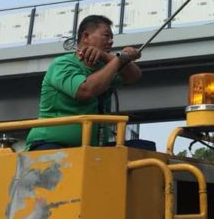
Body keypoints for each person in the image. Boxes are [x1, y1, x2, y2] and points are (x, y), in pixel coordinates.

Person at [25, 14, 142, 150]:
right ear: (85, 36)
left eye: (112, 38)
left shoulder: (106, 69)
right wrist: (119, 59)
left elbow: (134, 76)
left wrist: (107, 56)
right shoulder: (62, 64)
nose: (111, 41)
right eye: (106, 36)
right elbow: (86, 90)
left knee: (142, 148)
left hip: (91, 148)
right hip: (50, 144)